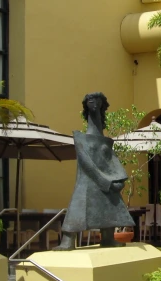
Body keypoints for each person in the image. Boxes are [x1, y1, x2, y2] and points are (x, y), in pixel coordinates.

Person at [55, 92, 134, 250]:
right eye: (91, 102)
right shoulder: (80, 138)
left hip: (105, 181)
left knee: (111, 202)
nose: (95, 105)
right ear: (86, 105)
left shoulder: (105, 141)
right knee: (78, 205)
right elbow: (87, 165)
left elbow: (112, 161)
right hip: (89, 182)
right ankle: (68, 240)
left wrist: (119, 180)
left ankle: (108, 237)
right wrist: (105, 182)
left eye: (98, 102)